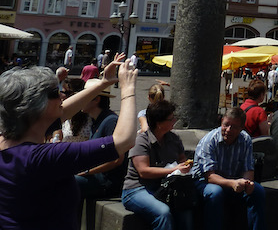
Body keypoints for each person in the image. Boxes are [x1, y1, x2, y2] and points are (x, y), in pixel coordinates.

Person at [0, 54, 137, 229]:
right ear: (36, 106)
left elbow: (62, 112)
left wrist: (103, 83)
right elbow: (124, 140)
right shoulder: (44, 157)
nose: (62, 97)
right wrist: (128, 89)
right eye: (55, 93)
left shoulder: (8, 140)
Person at [122, 99, 193, 230]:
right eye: (171, 119)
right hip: (137, 189)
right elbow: (144, 171)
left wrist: (185, 166)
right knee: (163, 212)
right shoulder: (141, 141)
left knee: (186, 209)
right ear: (159, 123)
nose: (174, 121)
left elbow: (182, 159)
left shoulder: (174, 139)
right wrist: (173, 169)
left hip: (165, 187)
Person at [192, 108, 266, 230]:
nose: (228, 130)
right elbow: (210, 176)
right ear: (221, 122)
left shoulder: (245, 140)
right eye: (226, 125)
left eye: (234, 127)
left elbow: (248, 168)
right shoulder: (209, 141)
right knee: (215, 193)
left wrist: (247, 182)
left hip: (233, 180)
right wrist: (232, 183)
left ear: (241, 128)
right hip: (206, 181)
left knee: (257, 192)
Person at [76, 76, 130, 210]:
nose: (81, 100)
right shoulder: (95, 120)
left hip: (106, 182)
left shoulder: (110, 121)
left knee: (65, 183)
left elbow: (117, 159)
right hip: (95, 178)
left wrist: (86, 172)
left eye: (86, 96)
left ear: (96, 99)